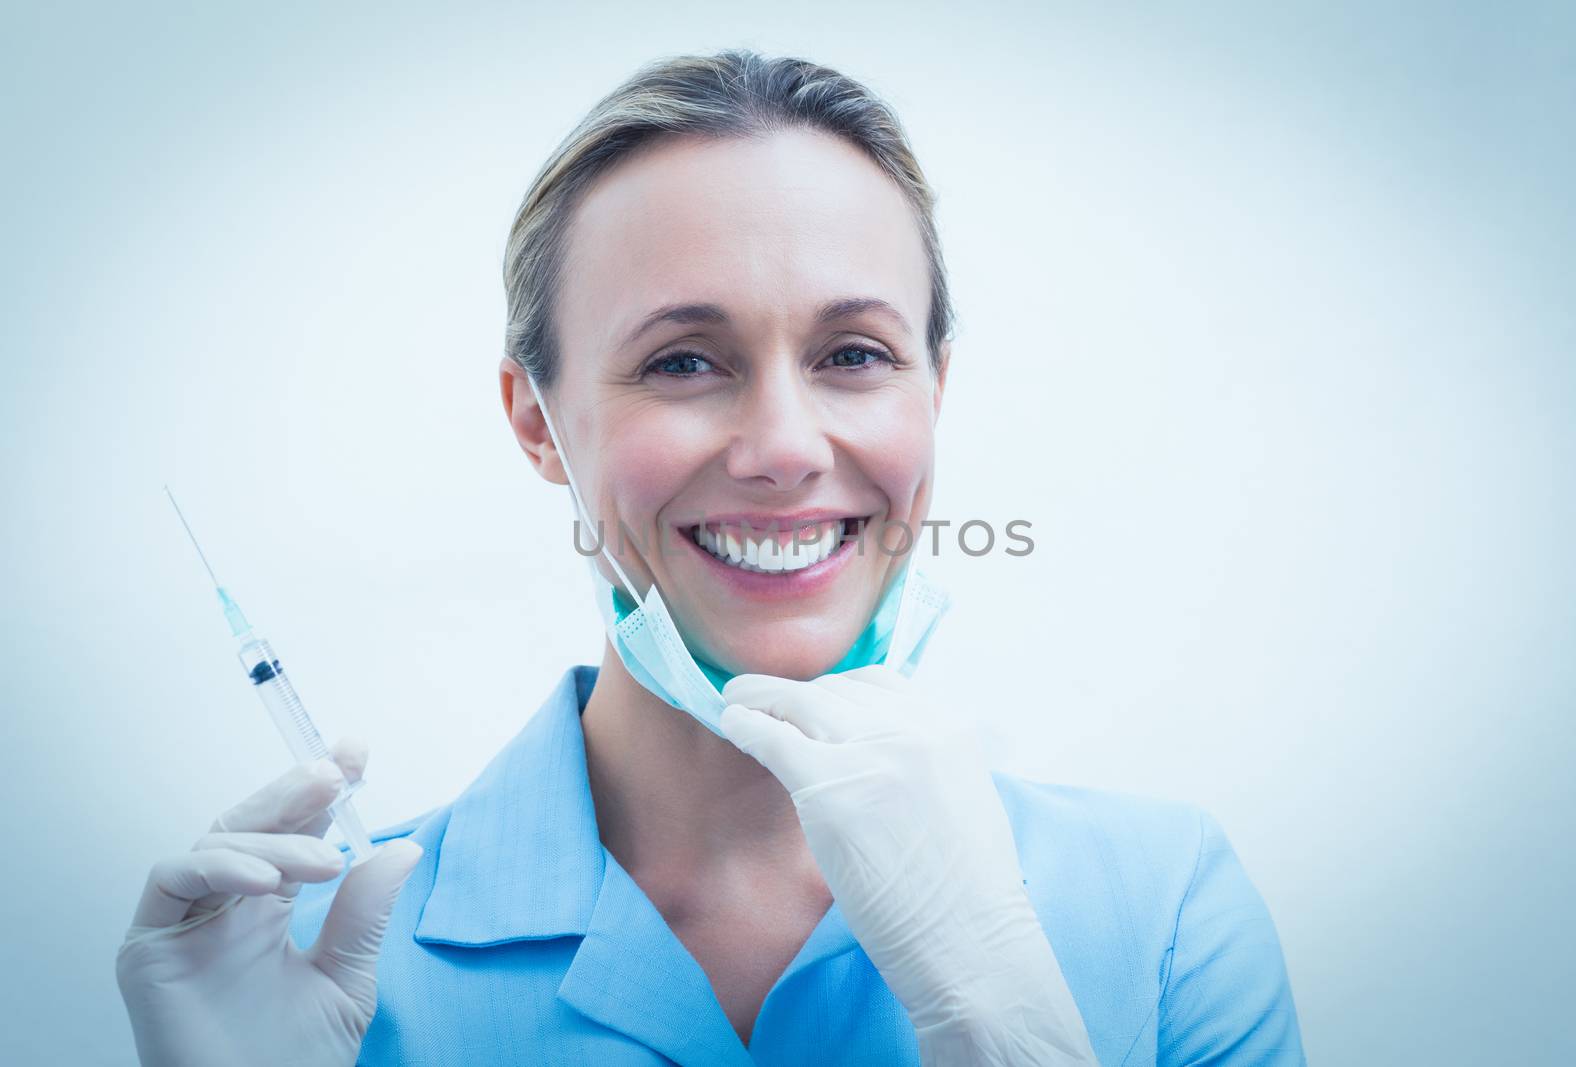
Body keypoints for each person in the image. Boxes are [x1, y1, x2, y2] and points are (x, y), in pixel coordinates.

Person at [117, 49, 1306, 1065]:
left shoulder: (1158, 908)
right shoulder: (326, 960)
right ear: (536, 420)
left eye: (854, 353)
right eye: (685, 361)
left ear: (935, 390)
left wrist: (1002, 1012)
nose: (786, 449)